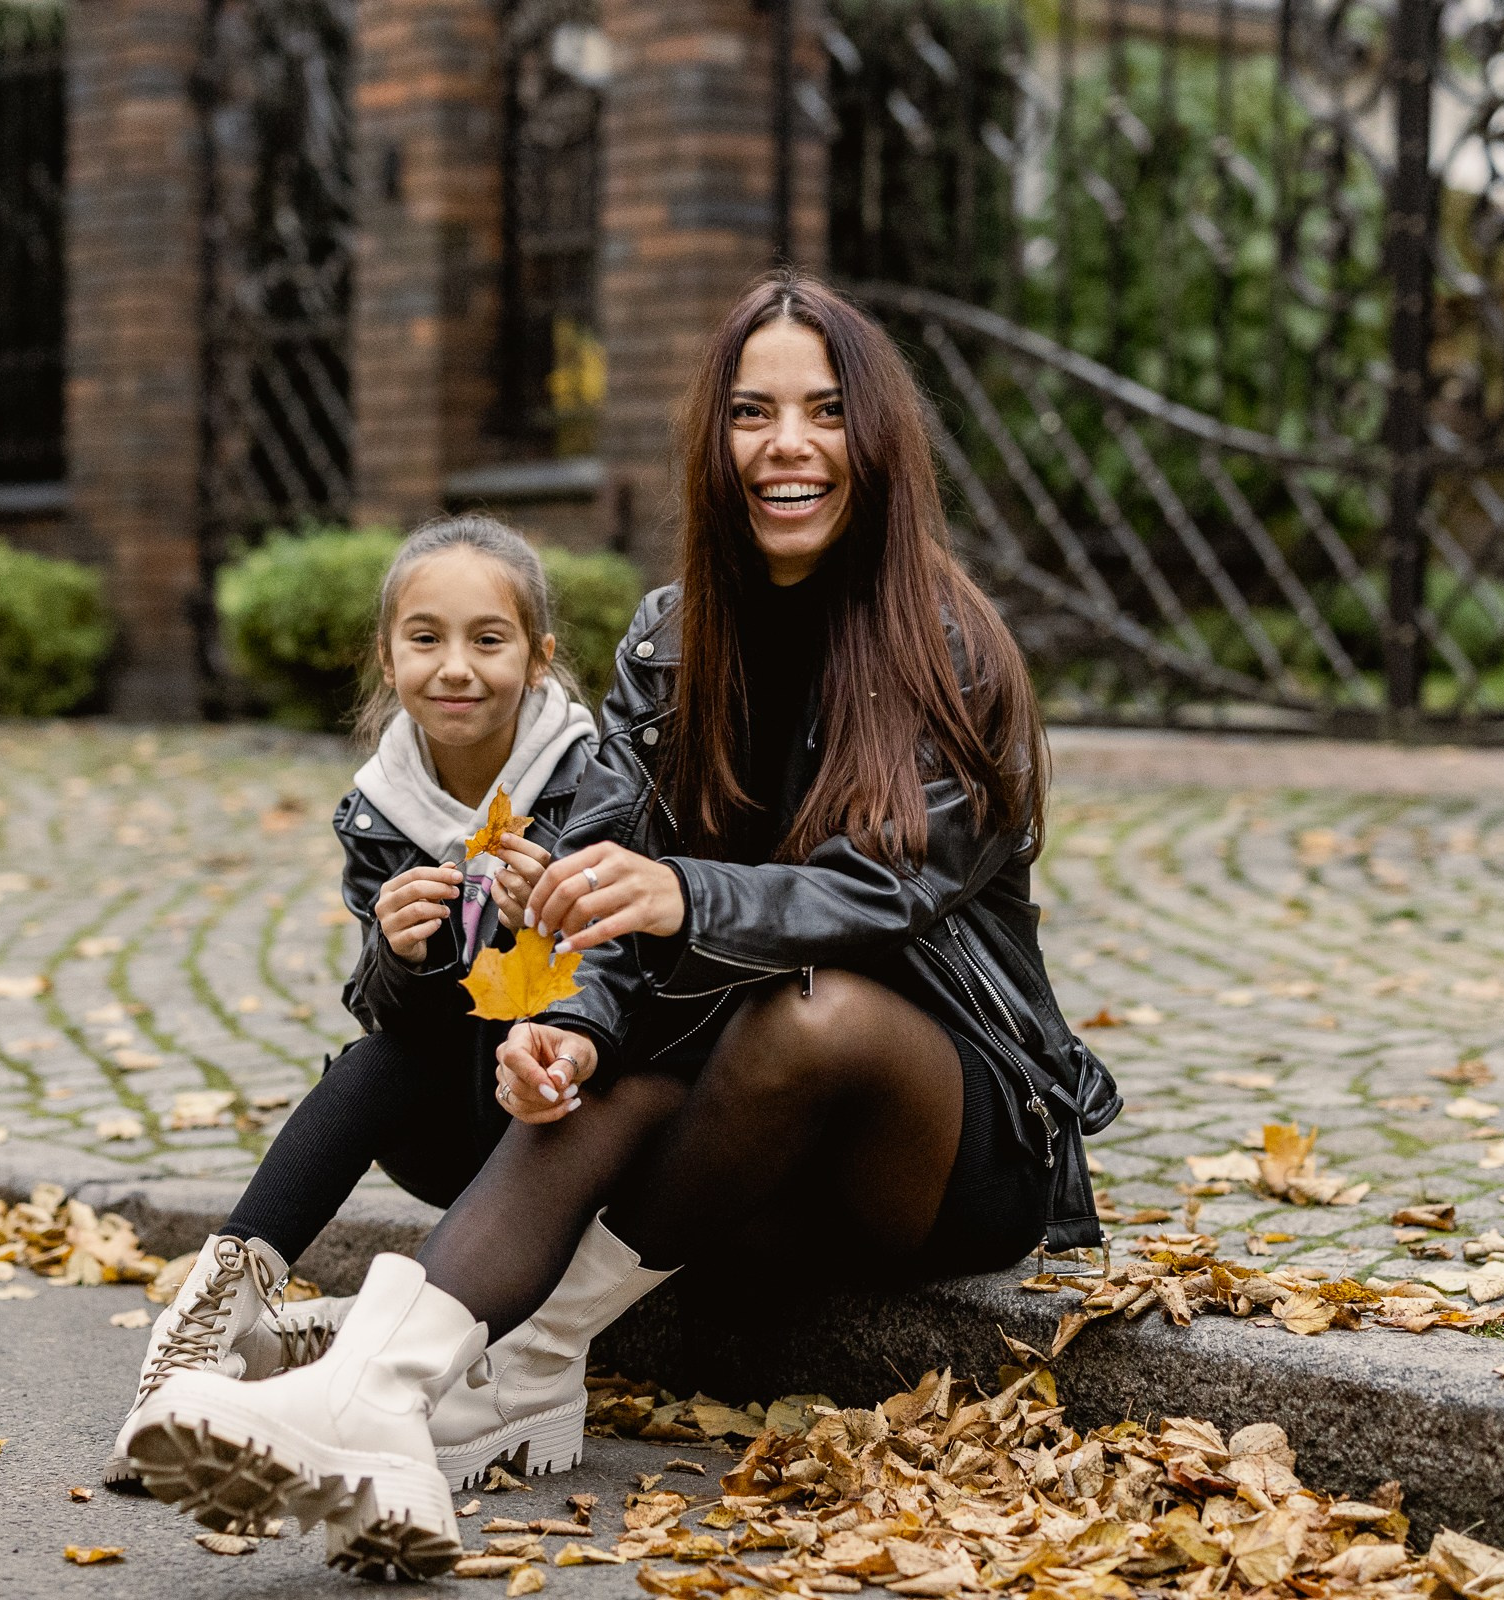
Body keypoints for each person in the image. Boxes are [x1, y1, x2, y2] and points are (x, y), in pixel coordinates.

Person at [125, 272, 1120, 1581]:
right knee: (598, 1082)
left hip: (943, 1141)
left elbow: (887, 894)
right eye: (752, 413)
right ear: (714, 445)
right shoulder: (673, 640)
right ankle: (386, 1390)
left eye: (825, 412)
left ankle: (525, 1358)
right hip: (745, 1149)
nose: (788, 444)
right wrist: (577, 1028)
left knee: (805, 1014)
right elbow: (604, 877)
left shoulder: (954, 651)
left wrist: (688, 896)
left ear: (876, 444)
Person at [103, 514, 690, 1499]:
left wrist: (548, 928)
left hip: (569, 1135)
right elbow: (395, 1023)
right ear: (388, 656)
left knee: (499, 1043)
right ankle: (206, 1318)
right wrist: (400, 950)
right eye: (426, 639)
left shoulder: (598, 782)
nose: (455, 668)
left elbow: (651, 993)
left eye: (487, 640)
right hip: (454, 1130)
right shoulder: (382, 807)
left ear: (540, 658)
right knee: (370, 1062)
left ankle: (359, 1337)